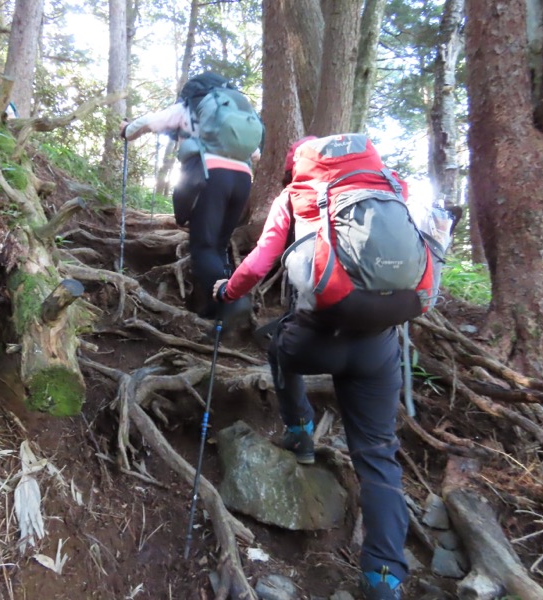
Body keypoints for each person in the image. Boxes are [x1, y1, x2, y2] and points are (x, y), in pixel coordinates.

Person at [212, 136, 409, 600]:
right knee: (379, 455)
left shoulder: (295, 195)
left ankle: (299, 430)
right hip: (378, 349)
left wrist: (227, 292)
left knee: (279, 350)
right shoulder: (390, 187)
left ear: (298, 164)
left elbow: (260, 262)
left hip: (314, 337)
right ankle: (384, 577)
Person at [119, 72, 261, 326]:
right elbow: (257, 153)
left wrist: (127, 130)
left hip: (209, 175)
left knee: (203, 247)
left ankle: (233, 302)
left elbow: (150, 122)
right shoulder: (236, 109)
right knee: (217, 246)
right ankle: (214, 309)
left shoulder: (190, 104)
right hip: (242, 179)